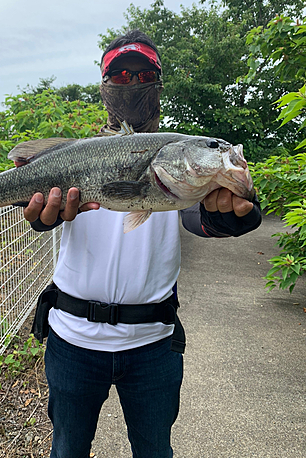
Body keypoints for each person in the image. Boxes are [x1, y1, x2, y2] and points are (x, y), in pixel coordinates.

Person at [18, 30, 261, 458]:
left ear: (158, 84)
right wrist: (41, 217)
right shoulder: (77, 153)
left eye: (143, 74)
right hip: (73, 341)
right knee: (67, 449)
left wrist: (225, 218)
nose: (132, 83)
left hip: (153, 344)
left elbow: (197, 216)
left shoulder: (175, 159)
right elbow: (40, 210)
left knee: (154, 450)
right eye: (121, 75)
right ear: (104, 84)